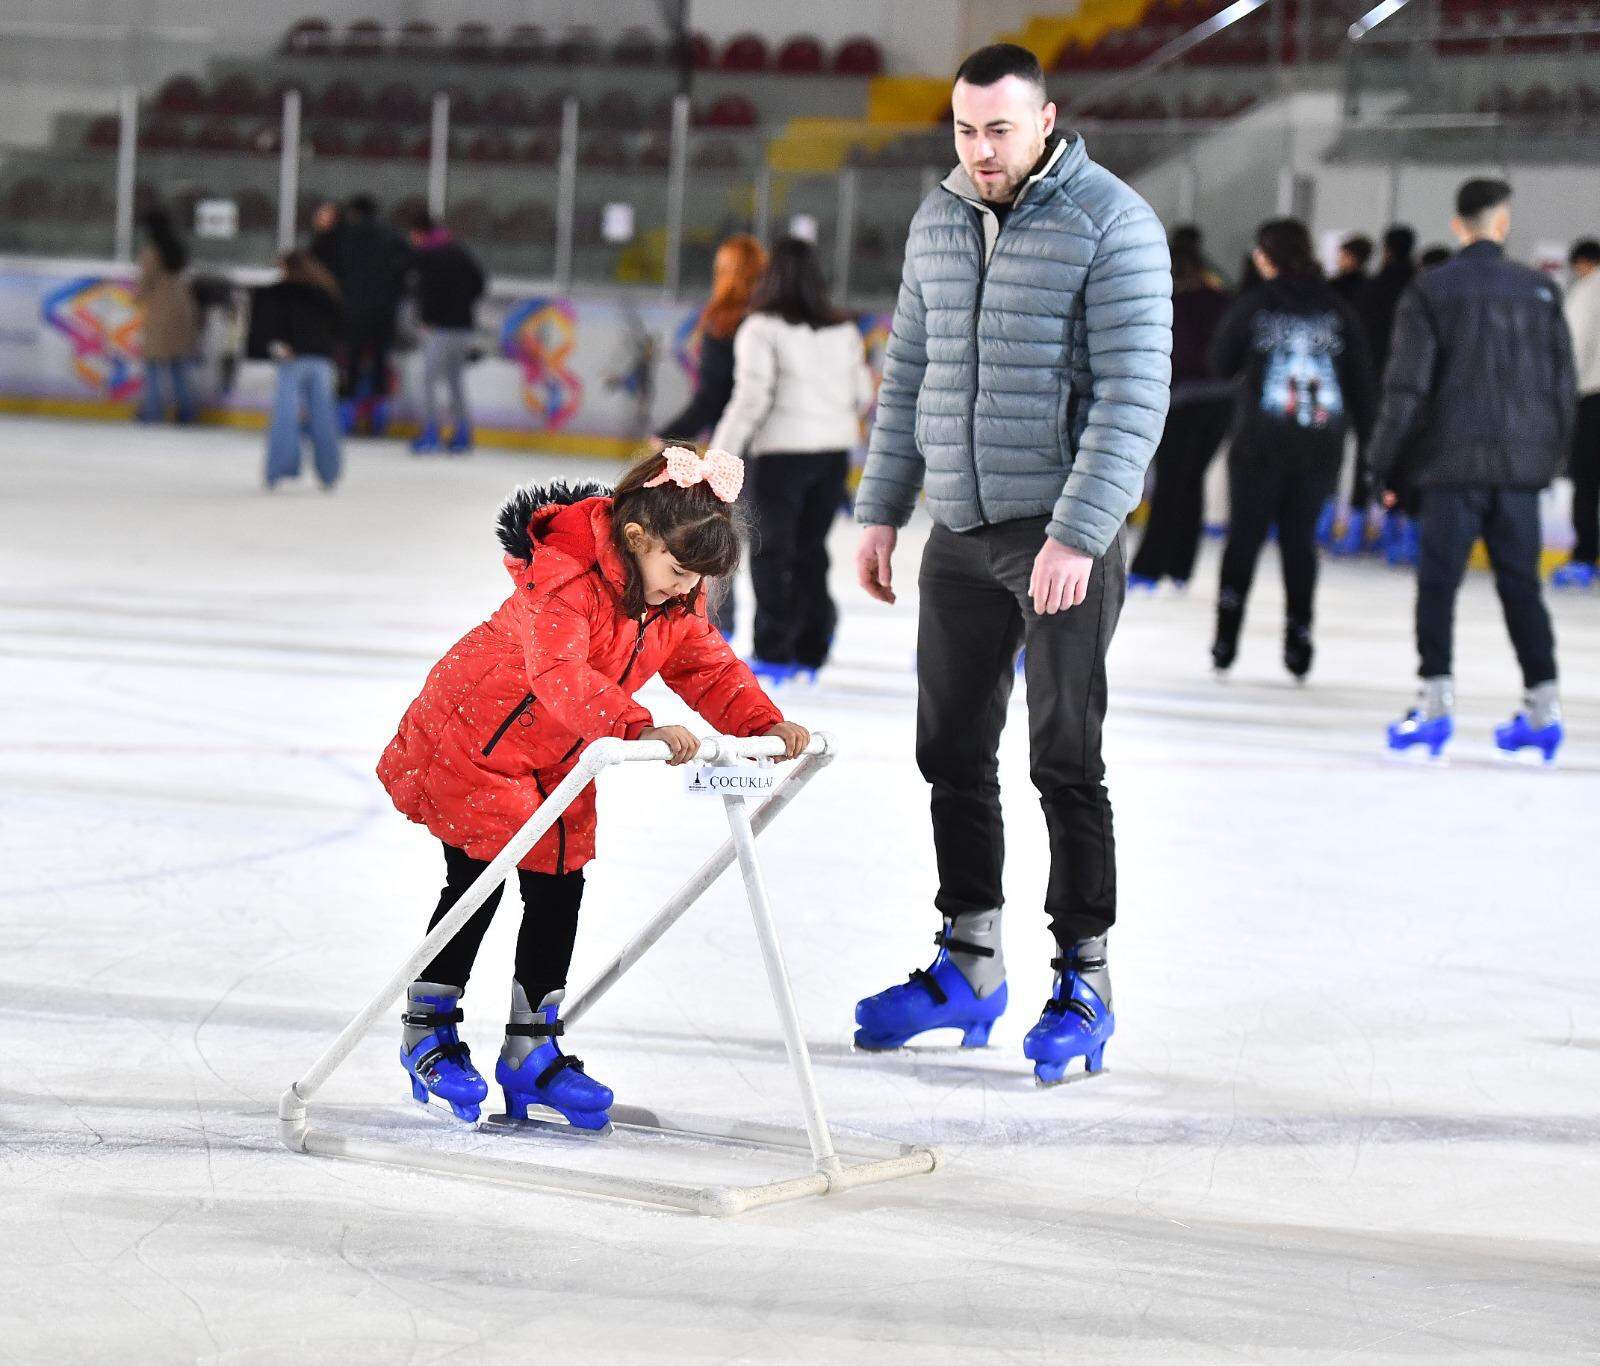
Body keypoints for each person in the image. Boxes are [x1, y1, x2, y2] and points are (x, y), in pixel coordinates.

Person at [849, 43, 1172, 1083]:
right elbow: (910, 374)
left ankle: (1084, 976)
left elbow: (1132, 394)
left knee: (1063, 757)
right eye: (963, 128)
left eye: (998, 128)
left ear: (1045, 120)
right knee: (947, 748)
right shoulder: (938, 217)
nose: (979, 149)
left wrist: (1080, 531)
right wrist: (881, 509)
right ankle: (969, 961)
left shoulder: (1112, 222)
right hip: (960, 529)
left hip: (1058, 533)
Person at [375, 448, 811, 1129]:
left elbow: (707, 668)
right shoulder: (566, 578)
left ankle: (532, 1049)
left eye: (697, 579)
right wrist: (638, 727)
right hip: (478, 736)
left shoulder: (674, 600)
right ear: (638, 540)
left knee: (560, 882)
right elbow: (557, 675)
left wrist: (764, 723)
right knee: (479, 877)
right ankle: (428, 1026)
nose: (684, 589)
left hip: (564, 750)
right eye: (676, 571)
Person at [1372, 179, 1575, 763]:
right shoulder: (1540, 290)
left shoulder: (1432, 290)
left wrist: (1384, 463)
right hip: (1519, 469)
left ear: (1459, 225)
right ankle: (1544, 708)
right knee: (1522, 588)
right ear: (1503, 224)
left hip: (1448, 466)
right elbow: (1562, 382)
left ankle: (1435, 707)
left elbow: (1406, 387)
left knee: (1438, 586)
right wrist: (1550, 457)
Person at [1207, 218, 1376, 679]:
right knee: (1300, 542)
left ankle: (1226, 636)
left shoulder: (1255, 304)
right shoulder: (1338, 309)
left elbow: (1219, 362)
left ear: (1265, 257)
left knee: (1244, 537)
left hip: (1259, 444)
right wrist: (1374, 456)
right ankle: (1299, 637)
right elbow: (1363, 384)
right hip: (1320, 445)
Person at [709, 237, 873, 682]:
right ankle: (812, 646)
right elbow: (862, 395)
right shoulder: (843, 330)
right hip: (833, 457)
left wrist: (718, 459)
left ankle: (774, 649)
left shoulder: (760, 329)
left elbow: (750, 400)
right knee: (810, 551)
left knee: (771, 553)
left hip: (781, 457)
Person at [655, 233, 770, 638]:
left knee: (725, 540)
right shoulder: (776, 321)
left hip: (735, 449)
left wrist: (668, 436)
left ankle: (720, 629)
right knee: (775, 546)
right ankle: (785, 637)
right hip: (783, 446)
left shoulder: (723, 322)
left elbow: (711, 398)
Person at [1128, 235, 1233, 590]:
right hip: (1221, 402)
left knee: (1172, 483)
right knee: (1191, 484)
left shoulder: (1170, 303)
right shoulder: (1222, 301)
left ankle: (1150, 567)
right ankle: (1181, 566)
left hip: (1182, 401)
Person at [259, 251, 345, 490]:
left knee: (285, 417)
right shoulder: (326, 291)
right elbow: (339, 326)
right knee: (324, 418)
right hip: (322, 361)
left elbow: (272, 326)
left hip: (294, 359)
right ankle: (329, 473)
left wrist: (278, 345)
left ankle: (278, 470)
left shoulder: (283, 292)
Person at [406, 211, 487, 454]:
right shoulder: (459, 251)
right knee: (454, 381)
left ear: (419, 234)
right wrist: (462, 306)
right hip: (463, 326)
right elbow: (479, 282)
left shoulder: (427, 256)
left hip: (439, 329)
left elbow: (426, 291)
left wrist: (428, 318)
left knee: (429, 381)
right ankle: (463, 432)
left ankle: (431, 432)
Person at [334, 194, 410, 436]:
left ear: (355, 212)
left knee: (352, 363)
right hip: (384, 312)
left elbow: (337, 272)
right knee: (379, 363)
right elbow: (407, 268)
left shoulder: (347, 236)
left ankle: (348, 419)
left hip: (354, 310)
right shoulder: (393, 236)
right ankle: (378, 420)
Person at [1552, 238, 1600, 590]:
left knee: (1587, 483)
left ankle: (1585, 558)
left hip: (1594, 399)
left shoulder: (1587, 292)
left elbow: (1573, 345)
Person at [134, 209, 200, 424]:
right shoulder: (179, 249)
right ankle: (187, 413)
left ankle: (153, 412)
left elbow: (146, 281)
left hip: (161, 311)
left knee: (153, 365)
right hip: (183, 308)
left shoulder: (152, 251)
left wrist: (136, 298)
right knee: (178, 365)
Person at [1330, 234, 1373, 305]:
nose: (1339, 259)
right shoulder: (1370, 284)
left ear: (1354, 258)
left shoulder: (1336, 285)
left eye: (1344, 255)